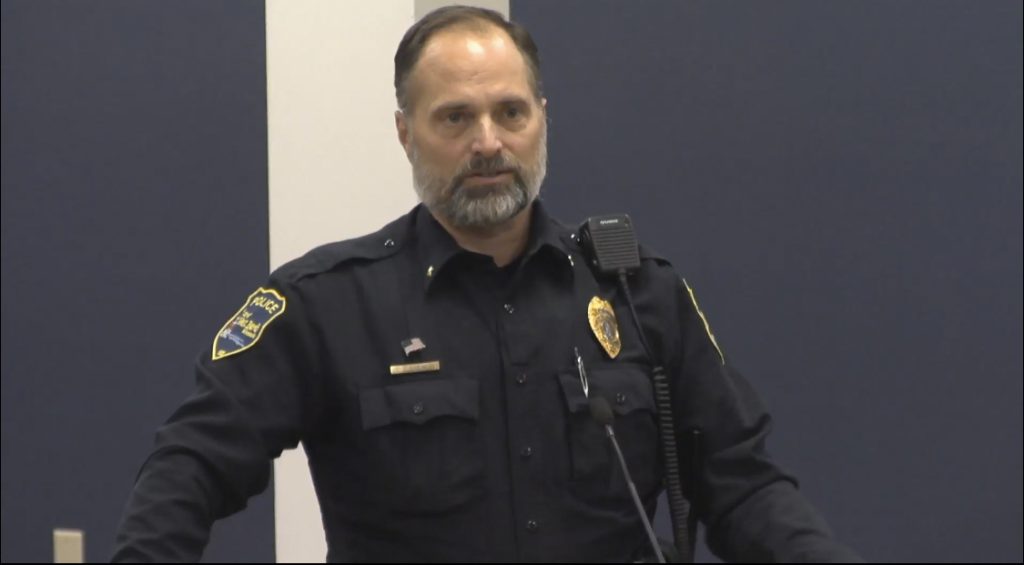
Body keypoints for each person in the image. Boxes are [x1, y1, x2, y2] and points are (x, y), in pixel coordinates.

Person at [113, 6, 861, 562]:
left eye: (510, 112)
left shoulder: (639, 296)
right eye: (455, 118)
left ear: (543, 119)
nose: (488, 142)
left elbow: (743, 486)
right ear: (405, 133)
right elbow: (192, 462)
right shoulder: (327, 304)